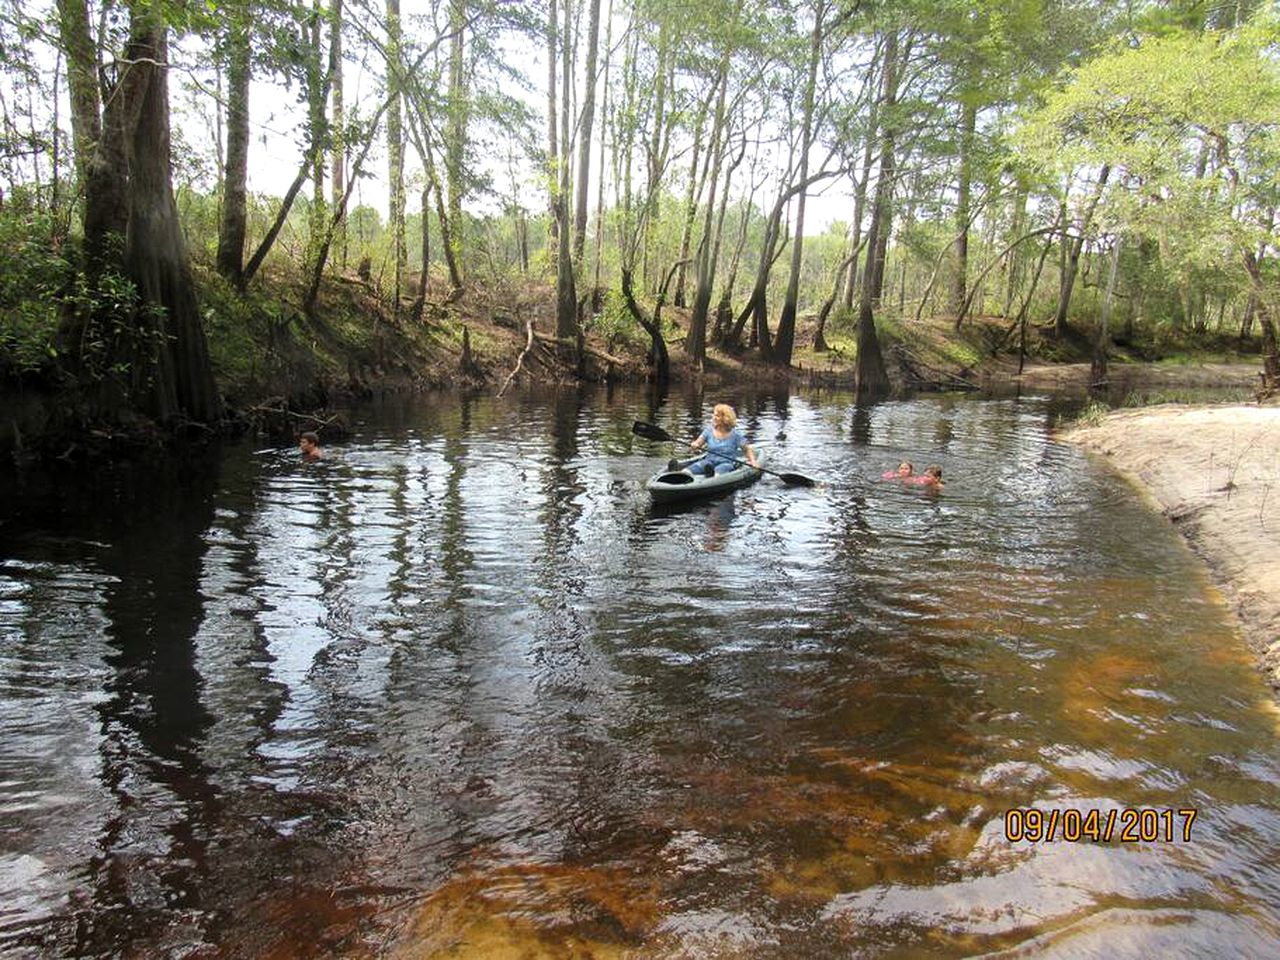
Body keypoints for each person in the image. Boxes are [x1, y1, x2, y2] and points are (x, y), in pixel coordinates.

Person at [680, 403, 758, 477]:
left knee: (719, 471)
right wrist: (695, 445)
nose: (713, 417)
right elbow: (698, 443)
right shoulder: (709, 431)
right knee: (688, 470)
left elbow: (747, 449)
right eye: (714, 415)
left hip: (726, 463)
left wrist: (753, 462)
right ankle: (705, 472)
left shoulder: (736, 435)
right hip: (709, 461)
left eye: (717, 416)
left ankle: (712, 475)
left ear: (725, 418)